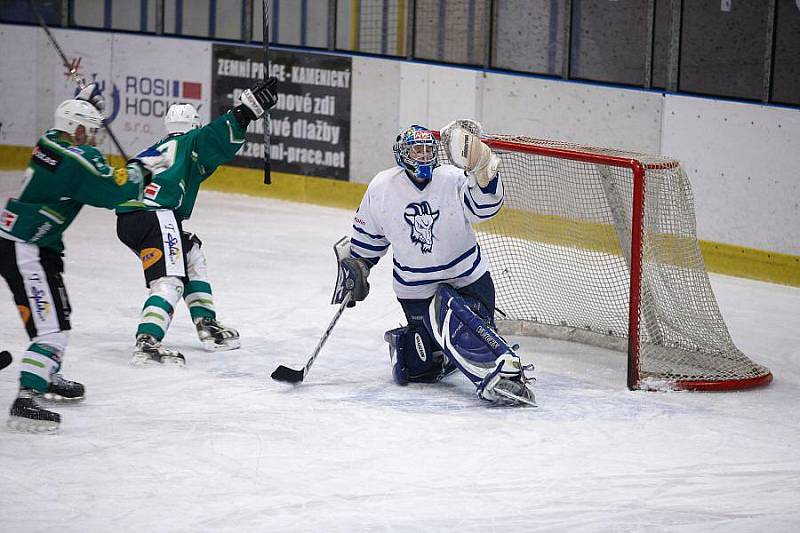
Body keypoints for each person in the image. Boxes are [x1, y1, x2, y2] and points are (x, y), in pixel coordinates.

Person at [332, 121, 536, 406]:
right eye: (417, 150)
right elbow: (368, 241)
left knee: (451, 312)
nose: (425, 157)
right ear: (402, 155)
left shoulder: (452, 178)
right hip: (416, 292)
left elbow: (485, 208)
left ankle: (501, 372)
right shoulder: (382, 187)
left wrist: (483, 172)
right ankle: (448, 348)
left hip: (468, 282)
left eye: (429, 150)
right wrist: (358, 268)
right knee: (415, 368)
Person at [0, 85, 163, 431]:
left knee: (59, 316)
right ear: (76, 130)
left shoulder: (50, 142)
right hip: (26, 248)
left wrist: (85, 105)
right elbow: (111, 190)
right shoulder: (74, 159)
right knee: (52, 331)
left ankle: (46, 373)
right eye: (89, 132)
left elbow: (84, 162)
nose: (92, 140)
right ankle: (26, 397)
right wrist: (143, 169)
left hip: (31, 244)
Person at [115, 78, 279, 366]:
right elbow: (212, 139)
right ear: (195, 124)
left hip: (132, 218)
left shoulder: (155, 148)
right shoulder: (190, 141)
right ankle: (148, 341)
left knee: (190, 253)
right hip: (157, 215)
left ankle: (206, 322)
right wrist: (245, 112)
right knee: (169, 279)